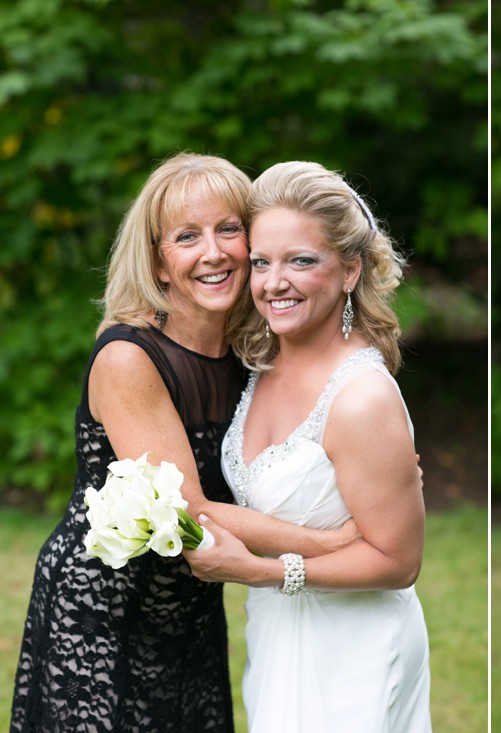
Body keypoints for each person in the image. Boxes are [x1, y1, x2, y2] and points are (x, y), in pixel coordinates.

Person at [11, 153, 356, 732]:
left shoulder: (256, 356)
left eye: (228, 229)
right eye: (186, 236)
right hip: (102, 613)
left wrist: (374, 467)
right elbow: (190, 509)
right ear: (159, 262)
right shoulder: (129, 358)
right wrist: (340, 541)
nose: (214, 252)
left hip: (192, 609)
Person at [183, 161, 431, 732]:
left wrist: (264, 572)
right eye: (262, 262)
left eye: (301, 261)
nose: (274, 283)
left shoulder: (361, 397)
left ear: (349, 270)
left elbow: (399, 562)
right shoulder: (261, 361)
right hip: (277, 635)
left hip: (354, 650)